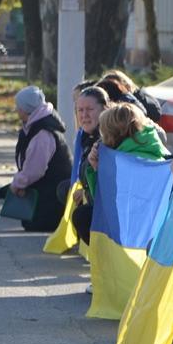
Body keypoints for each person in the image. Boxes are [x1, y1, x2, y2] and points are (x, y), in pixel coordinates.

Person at [9, 86, 73, 233]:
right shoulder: (38, 125)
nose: (16, 110)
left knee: (34, 225)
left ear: (26, 109)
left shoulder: (42, 133)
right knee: (29, 223)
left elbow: (35, 170)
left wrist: (17, 184)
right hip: (47, 192)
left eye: (18, 107)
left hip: (52, 197)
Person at [68, 86, 110, 246]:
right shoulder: (85, 137)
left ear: (104, 109)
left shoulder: (107, 139)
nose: (84, 115)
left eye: (90, 109)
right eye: (80, 110)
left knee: (81, 215)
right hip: (95, 199)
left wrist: (85, 193)